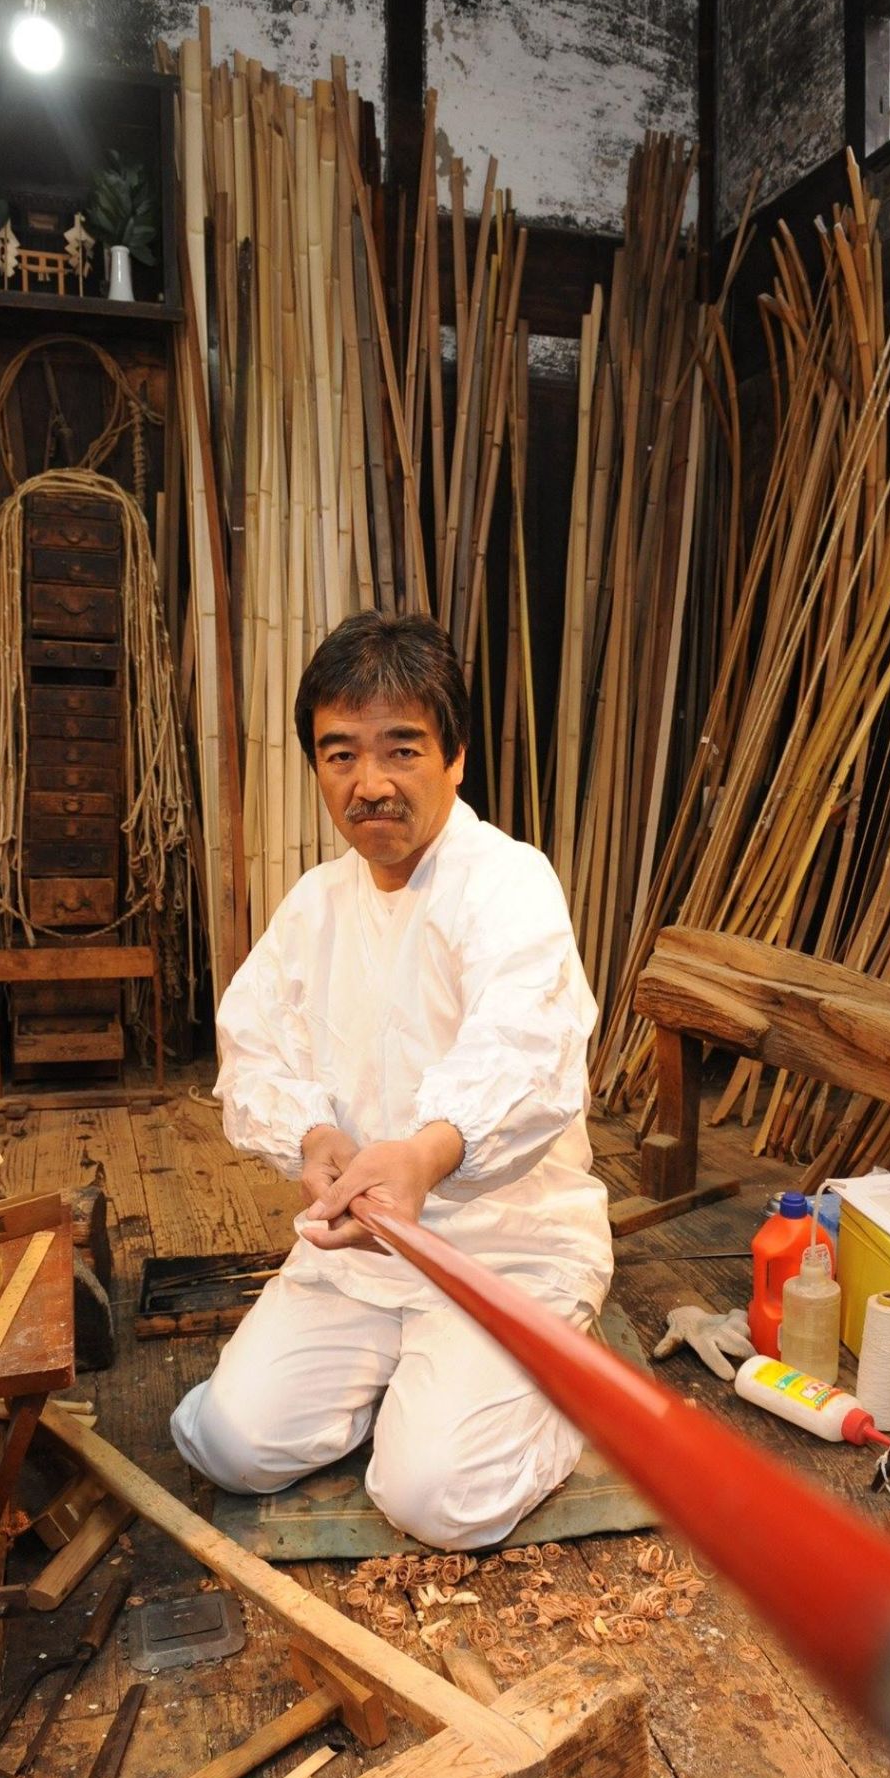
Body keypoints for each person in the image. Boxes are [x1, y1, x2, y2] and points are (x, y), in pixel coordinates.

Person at [170, 611, 612, 1549]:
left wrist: (427, 1153)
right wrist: (312, 1137)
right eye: (340, 755)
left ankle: (548, 1383)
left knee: (435, 1498)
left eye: (400, 749)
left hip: (504, 1252)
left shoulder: (506, 882)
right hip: (365, 1250)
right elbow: (255, 1045)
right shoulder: (315, 904)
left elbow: (527, 1047)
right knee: (227, 1444)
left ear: (455, 757)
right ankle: (419, 1388)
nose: (368, 783)